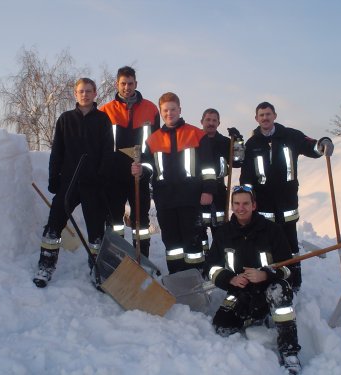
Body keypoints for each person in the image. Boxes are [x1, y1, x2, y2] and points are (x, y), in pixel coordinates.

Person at [205, 185, 302, 374]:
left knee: (278, 291)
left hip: (269, 289)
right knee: (221, 327)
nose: (241, 208)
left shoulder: (272, 230)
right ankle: (252, 317)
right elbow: (210, 268)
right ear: (232, 205)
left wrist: (265, 274)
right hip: (240, 291)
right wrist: (230, 279)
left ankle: (289, 351)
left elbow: (290, 268)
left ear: (254, 205)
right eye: (237, 203)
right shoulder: (223, 233)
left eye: (246, 203)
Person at [240, 101, 334, 291]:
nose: (265, 118)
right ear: (256, 119)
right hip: (264, 204)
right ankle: (271, 279)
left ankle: (295, 280)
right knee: (267, 245)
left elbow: (312, 147)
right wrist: (249, 198)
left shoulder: (291, 136)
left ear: (275, 116)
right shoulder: (252, 144)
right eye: (261, 115)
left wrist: (324, 143)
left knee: (290, 243)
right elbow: (247, 175)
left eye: (268, 114)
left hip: (287, 201)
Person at [33, 78, 114, 288]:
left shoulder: (103, 120)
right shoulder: (65, 119)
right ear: (75, 94)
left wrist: (103, 178)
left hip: (93, 184)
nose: (84, 94)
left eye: (88, 91)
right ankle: (46, 266)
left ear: (95, 94)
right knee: (53, 226)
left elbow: (108, 153)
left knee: (96, 231)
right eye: (81, 91)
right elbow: (57, 151)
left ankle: (97, 270)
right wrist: (54, 178)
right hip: (69, 182)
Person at [131, 92, 216, 274]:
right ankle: (177, 277)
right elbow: (148, 166)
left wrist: (208, 190)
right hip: (165, 200)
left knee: (192, 241)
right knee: (172, 244)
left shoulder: (197, 134)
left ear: (179, 110)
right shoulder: (153, 140)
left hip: (191, 199)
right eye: (165, 110)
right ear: (161, 112)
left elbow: (208, 168)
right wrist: (140, 170)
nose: (169, 113)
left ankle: (196, 277)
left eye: (173, 109)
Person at [99, 66, 160, 257]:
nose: (127, 87)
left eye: (130, 83)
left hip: (139, 175)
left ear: (136, 84)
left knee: (140, 222)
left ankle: (141, 258)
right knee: (115, 221)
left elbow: (155, 145)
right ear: (117, 84)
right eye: (123, 83)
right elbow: (102, 147)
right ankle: (117, 258)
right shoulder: (106, 111)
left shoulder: (150, 109)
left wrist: (145, 169)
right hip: (114, 177)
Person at [199, 108, 244, 255]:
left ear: (219, 123)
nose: (211, 123)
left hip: (219, 191)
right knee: (199, 230)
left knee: (221, 230)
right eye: (208, 120)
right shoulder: (195, 141)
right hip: (198, 191)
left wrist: (238, 142)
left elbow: (238, 162)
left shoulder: (226, 142)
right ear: (202, 121)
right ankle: (204, 259)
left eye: (214, 120)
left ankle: (219, 258)